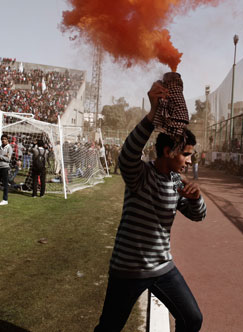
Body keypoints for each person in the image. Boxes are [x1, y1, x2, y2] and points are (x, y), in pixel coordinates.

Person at [94, 81, 206, 332]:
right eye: (186, 154)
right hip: (128, 269)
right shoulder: (141, 174)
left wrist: (195, 199)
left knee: (192, 319)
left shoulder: (176, 180)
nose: (190, 161)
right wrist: (152, 116)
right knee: (109, 328)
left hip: (162, 267)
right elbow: (127, 154)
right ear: (167, 151)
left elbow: (198, 216)